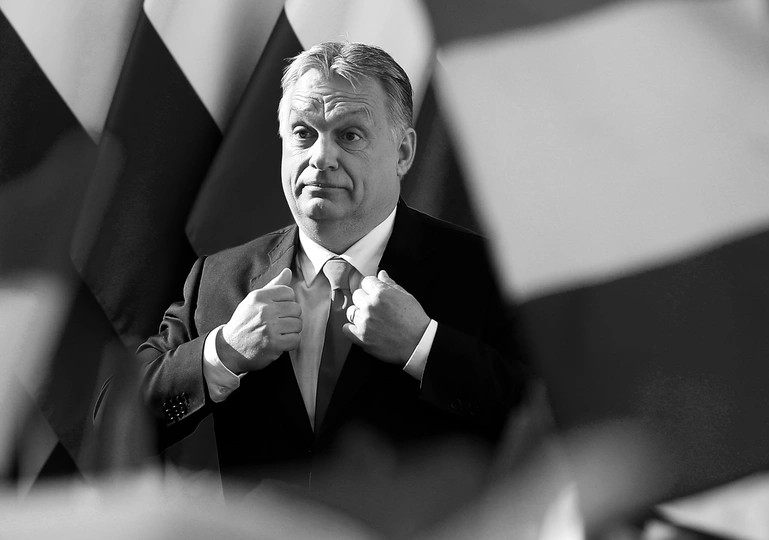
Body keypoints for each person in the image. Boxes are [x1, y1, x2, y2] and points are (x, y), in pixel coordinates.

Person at [138, 42, 526, 496]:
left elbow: (551, 423)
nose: (321, 157)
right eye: (303, 133)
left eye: (350, 135)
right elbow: (116, 416)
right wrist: (222, 352)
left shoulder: (487, 270)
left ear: (403, 153)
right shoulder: (219, 278)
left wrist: (424, 346)